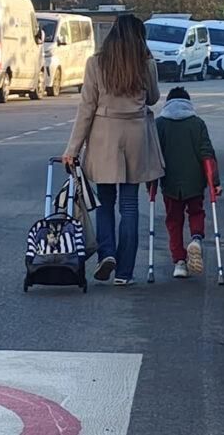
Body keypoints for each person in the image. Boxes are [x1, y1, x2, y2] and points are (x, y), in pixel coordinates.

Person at [63, 15, 164, 286]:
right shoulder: (145, 64)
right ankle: (125, 272)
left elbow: (86, 109)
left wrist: (72, 149)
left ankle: (107, 254)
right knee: (129, 205)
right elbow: (153, 98)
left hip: (103, 136)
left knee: (105, 203)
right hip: (136, 136)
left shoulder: (96, 63)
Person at [155, 86, 220, 278]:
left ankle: (179, 262)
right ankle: (196, 238)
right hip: (195, 181)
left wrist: (150, 183)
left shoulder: (160, 124)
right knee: (196, 212)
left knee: (173, 221)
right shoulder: (197, 123)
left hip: (170, 183)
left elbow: (154, 156)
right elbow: (207, 153)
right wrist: (214, 182)